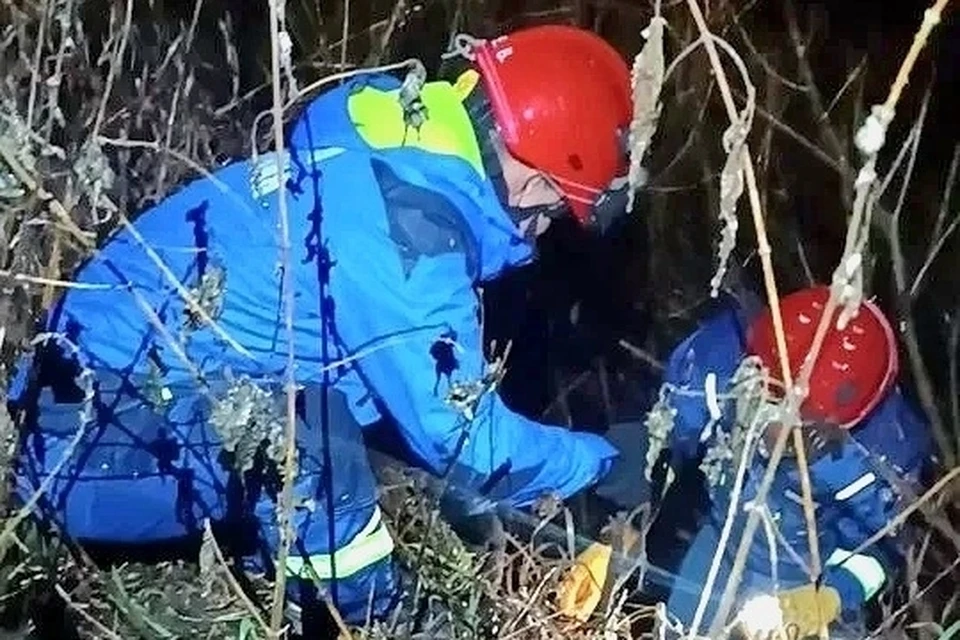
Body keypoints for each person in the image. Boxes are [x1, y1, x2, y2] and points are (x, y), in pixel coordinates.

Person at [7, 24, 643, 626]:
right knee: (311, 450)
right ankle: (377, 622)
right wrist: (598, 464)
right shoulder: (406, 229)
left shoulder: (380, 154)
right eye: (557, 212)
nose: (542, 232)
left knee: (340, 438)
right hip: (85, 444)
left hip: (92, 409)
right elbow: (466, 441)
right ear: (537, 179)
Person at [570, 285, 932, 636]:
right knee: (679, 630)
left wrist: (830, 598)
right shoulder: (719, 369)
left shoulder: (878, 461)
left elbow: (884, 552)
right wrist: (618, 532)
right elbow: (659, 442)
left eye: (798, 424)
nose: (774, 428)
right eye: (768, 402)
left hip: (805, 583)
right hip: (720, 543)